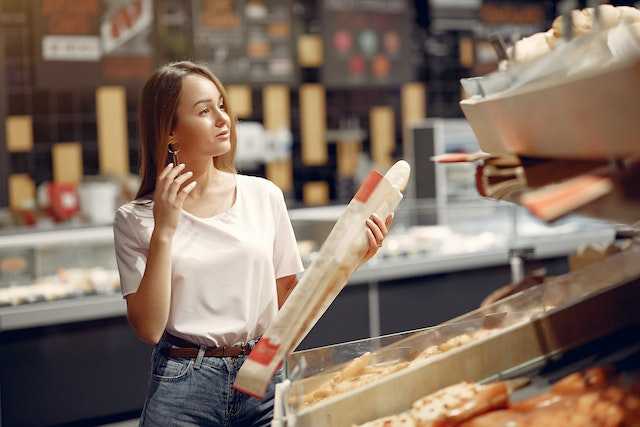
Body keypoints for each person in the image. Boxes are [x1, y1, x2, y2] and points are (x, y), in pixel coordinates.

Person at [113, 61, 392, 426]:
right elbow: (149, 328)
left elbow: (291, 299)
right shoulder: (135, 219)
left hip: (263, 376)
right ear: (169, 132)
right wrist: (165, 229)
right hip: (183, 383)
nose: (222, 118)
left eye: (222, 106)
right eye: (203, 111)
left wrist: (352, 258)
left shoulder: (263, 195)